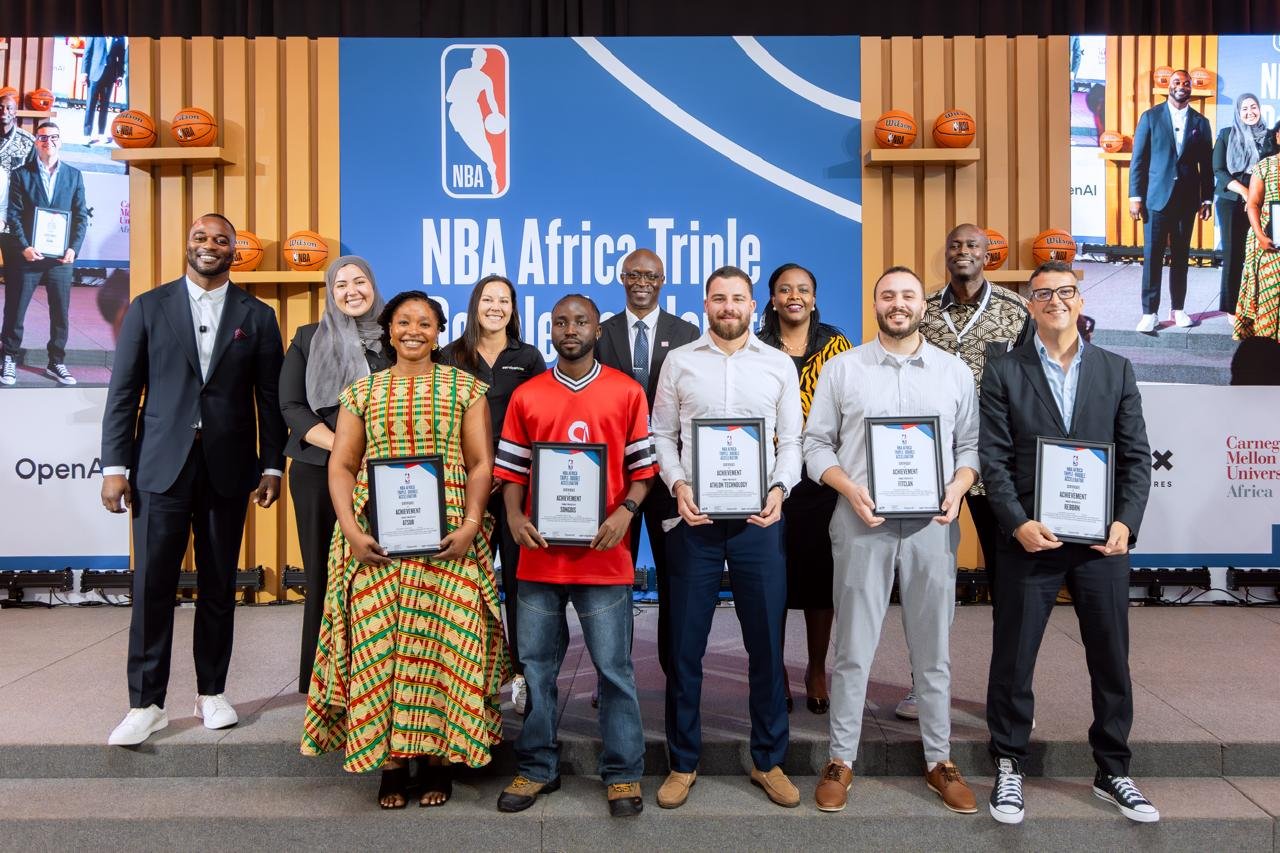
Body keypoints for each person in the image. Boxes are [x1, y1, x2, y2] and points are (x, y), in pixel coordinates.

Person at [301, 291, 508, 810]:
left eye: (424, 323)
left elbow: (480, 463)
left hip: (450, 540)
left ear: (439, 333)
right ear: (388, 330)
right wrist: (351, 530)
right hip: (377, 542)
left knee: (448, 644)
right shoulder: (362, 392)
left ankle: (438, 760)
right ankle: (391, 764)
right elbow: (342, 465)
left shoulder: (466, 388)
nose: (413, 330)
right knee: (380, 647)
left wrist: (472, 524)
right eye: (403, 322)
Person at [981, 260, 1158, 825]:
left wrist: (1126, 522)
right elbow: (994, 459)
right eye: (1043, 294)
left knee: (1111, 657)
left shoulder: (1116, 369)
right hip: (1030, 540)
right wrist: (1016, 522)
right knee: (1014, 656)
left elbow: (1136, 457)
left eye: (1065, 292)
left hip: (1100, 546)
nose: (1055, 301)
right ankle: (1010, 763)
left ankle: (1113, 769)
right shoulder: (1003, 370)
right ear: (1030, 305)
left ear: (1080, 301)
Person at [100, 213, 287, 746]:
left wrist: (272, 465)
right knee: (152, 587)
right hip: (159, 468)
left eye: (221, 240)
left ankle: (212, 693)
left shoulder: (258, 316)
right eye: (201, 237)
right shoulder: (148, 307)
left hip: (228, 469)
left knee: (219, 585)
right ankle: (146, 704)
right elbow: (123, 393)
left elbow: (270, 400)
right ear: (188, 245)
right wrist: (114, 468)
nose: (210, 245)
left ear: (234, 250)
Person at [805, 266, 980, 815]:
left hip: (932, 526)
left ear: (922, 306)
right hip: (862, 522)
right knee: (853, 649)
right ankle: (841, 759)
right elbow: (815, 445)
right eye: (888, 296)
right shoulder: (844, 369)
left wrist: (958, 487)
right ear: (875, 304)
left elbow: (970, 447)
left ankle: (939, 760)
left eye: (908, 295)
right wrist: (848, 488)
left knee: (933, 649)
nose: (898, 304)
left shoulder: (953, 372)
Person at [493, 294, 656, 817]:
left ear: (596, 329)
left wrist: (626, 512)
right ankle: (537, 766)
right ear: (551, 330)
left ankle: (623, 772)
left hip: (604, 557)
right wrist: (514, 517)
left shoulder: (626, 391)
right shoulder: (528, 395)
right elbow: (512, 471)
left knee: (614, 669)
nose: (570, 329)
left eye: (580, 321)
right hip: (539, 558)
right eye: (561, 322)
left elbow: (643, 472)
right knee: (537, 669)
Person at [651, 265, 803, 810]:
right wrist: (678, 484)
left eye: (738, 298)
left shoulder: (778, 363)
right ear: (706, 304)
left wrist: (781, 488)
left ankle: (769, 759)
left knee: (766, 647)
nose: (729, 307)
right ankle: (682, 762)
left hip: (759, 524)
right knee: (684, 648)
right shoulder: (680, 361)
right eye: (719, 298)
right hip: (696, 523)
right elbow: (661, 435)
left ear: (752, 305)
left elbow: (793, 440)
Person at [911, 223, 1032, 719]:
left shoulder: (1014, 310)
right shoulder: (922, 310)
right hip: (930, 467)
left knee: (1008, 584)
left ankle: (1007, 694)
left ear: (987, 255)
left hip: (994, 466)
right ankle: (923, 687)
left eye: (973, 246)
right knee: (928, 582)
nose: (963, 251)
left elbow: (1031, 384)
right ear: (947, 253)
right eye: (956, 244)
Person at [278, 256, 389, 694]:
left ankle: (375, 674)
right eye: (341, 284)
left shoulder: (394, 337)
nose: (351, 291)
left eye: (359, 281)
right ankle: (321, 681)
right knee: (324, 574)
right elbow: (291, 406)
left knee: (379, 573)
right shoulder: (308, 338)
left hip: (383, 472)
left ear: (373, 286)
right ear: (331, 291)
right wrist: (343, 447)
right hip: (317, 470)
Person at [439, 274, 545, 712]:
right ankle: (473, 679)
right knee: (469, 584)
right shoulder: (450, 355)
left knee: (519, 584)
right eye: (488, 299)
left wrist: (508, 469)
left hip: (517, 487)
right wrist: (476, 470)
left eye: (504, 300)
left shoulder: (529, 356)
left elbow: (541, 420)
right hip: (465, 486)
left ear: (513, 309)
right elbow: (443, 420)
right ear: (474, 305)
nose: (496, 307)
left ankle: (522, 674)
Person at [595, 248, 699, 676]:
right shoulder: (600, 332)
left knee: (675, 576)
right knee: (613, 577)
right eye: (634, 274)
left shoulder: (687, 332)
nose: (642, 282)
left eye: (651, 276)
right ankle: (612, 671)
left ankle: (674, 671)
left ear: (662, 280)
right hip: (616, 475)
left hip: (669, 472)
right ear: (622, 278)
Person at [755, 262, 851, 715]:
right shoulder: (756, 346)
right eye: (785, 289)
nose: (794, 296)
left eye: (803, 289)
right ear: (772, 299)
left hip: (821, 478)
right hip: (769, 477)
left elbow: (850, 407)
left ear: (814, 298)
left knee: (819, 578)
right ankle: (774, 669)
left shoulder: (836, 346)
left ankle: (815, 669)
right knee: (770, 578)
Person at [2, 120, 89, 386]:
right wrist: (24, 246)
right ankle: (8, 357)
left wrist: (73, 248)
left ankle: (56, 362)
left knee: (60, 313)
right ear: (36, 142)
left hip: (61, 259)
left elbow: (81, 216)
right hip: (28, 256)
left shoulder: (74, 175)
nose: (47, 141)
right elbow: (14, 215)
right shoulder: (21, 174)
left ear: (60, 141)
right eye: (42, 137)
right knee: (15, 309)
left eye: (53, 137)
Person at [1129, 69, 1214, 333]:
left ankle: (1178, 309)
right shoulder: (1150, 117)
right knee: (1152, 257)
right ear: (1169, 85)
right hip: (1155, 200)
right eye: (1177, 82)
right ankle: (1149, 313)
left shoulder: (1201, 123)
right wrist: (1135, 196)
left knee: (1181, 257)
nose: (1182, 86)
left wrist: (1207, 199)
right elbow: (1138, 160)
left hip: (1187, 202)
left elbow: (1207, 166)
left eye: (1187, 83)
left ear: (1191, 88)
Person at [1213, 94, 1266, 318]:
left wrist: (1255, 198)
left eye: (1253, 107)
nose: (1250, 112)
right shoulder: (1226, 134)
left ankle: (1258, 305)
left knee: (1260, 255)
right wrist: (1245, 193)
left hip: (1261, 202)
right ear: (1237, 111)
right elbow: (1219, 170)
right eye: (1244, 108)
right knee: (1234, 255)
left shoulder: (1269, 137)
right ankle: (1231, 308)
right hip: (1232, 201)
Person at [1236, 120, 1280, 342]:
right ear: (1277, 137)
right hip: (1269, 242)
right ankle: (1267, 349)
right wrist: (1261, 236)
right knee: (1270, 294)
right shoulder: (1264, 167)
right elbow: (1253, 204)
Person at [445, 47, 504, 194]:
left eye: (482, 60)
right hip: (458, 112)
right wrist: (463, 95)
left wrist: (496, 114)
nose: (480, 62)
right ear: (472, 59)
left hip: (472, 112)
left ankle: (492, 169)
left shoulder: (485, 79)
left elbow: (492, 101)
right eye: (478, 58)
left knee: (481, 142)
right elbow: (448, 97)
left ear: (484, 62)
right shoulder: (461, 74)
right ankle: (491, 166)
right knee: (473, 143)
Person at [81, 37, 127, 144]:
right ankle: (87, 134)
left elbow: (121, 57)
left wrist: (120, 75)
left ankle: (101, 134)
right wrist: (84, 73)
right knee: (90, 105)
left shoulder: (120, 37)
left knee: (105, 106)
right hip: (94, 74)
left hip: (109, 76)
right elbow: (87, 52)